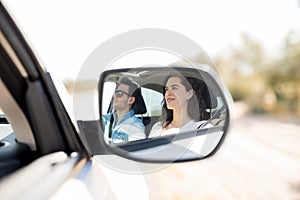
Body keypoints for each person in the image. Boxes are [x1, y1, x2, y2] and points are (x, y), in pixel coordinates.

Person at [102, 77, 146, 143]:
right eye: (114, 93)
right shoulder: (106, 119)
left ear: (131, 100)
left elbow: (137, 149)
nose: (114, 96)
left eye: (119, 94)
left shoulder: (135, 126)